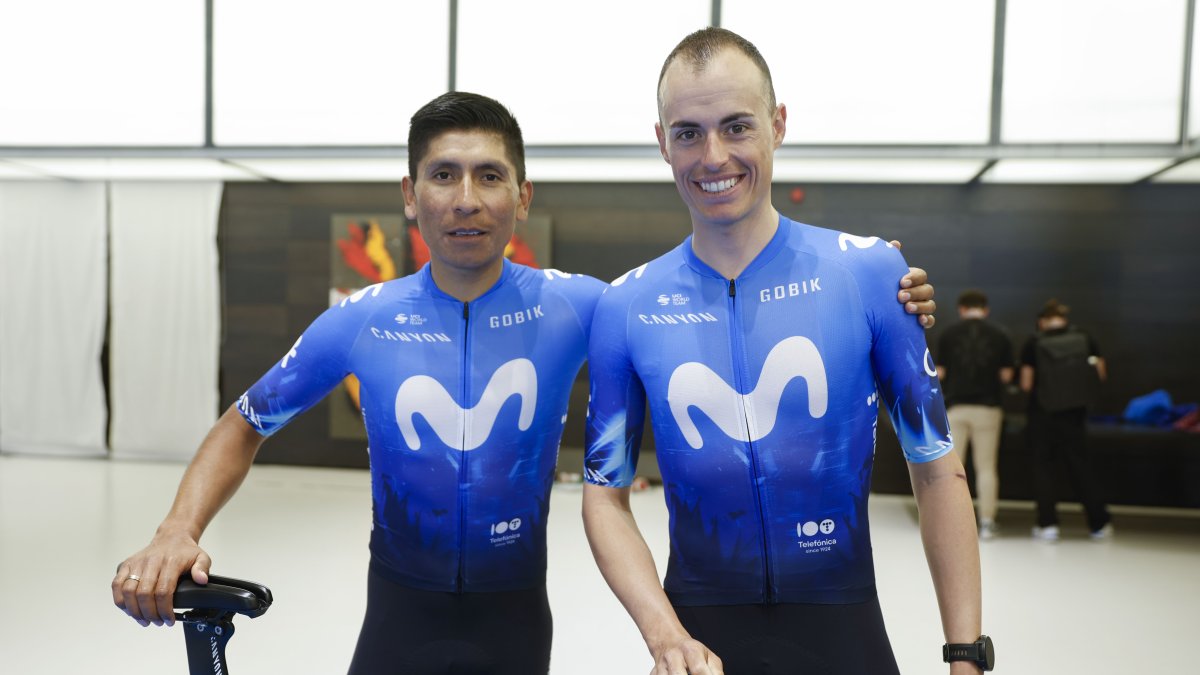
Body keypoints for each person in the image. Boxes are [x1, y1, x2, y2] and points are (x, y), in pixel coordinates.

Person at [111, 92, 939, 673]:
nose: (465, 199)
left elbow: (695, 298)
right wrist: (176, 527)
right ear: (410, 195)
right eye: (442, 175)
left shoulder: (586, 306)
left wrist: (887, 289)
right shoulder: (360, 318)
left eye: (488, 175)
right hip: (398, 615)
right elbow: (245, 421)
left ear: (521, 194)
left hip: (515, 623)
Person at [583, 28, 985, 675]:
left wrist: (966, 654)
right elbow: (605, 494)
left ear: (778, 124)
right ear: (662, 142)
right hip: (697, 643)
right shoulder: (625, 305)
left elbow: (937, 467)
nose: (713, 156)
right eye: (687, 132)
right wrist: (664, 634)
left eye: (737, 126)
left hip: (844, 632)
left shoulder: (872, 275)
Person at [1019, 299, 1112, 541]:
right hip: (1074, 414)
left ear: (1042, 321)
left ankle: (1048, 525)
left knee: (1043, 468)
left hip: (1042, 414)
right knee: (1081, 466)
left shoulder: (1034, 342)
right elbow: (1100, 374)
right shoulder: (1084, 337)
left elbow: (1027, 383)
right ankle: (1098, 524)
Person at [936, 289, 1014, 540]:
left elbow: (939, 374)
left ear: (961, 309)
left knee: (954, 470)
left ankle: (949, 523)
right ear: (985, 309)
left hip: (956, 408)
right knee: (986, 468)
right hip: (989, 409)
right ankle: (987, 522)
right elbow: (1006, 376)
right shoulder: (1000, 335)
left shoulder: (948, 334)